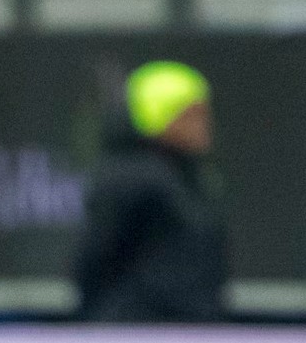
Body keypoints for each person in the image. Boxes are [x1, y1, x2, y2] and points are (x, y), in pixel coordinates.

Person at [72, 61, 230, 324]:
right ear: (159, 117)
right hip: (136, 334)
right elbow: (94, 260)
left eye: (204, 114)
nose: (203, 125)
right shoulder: (130, 178)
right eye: (190, 114)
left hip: (190, 332)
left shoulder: (189, 177)